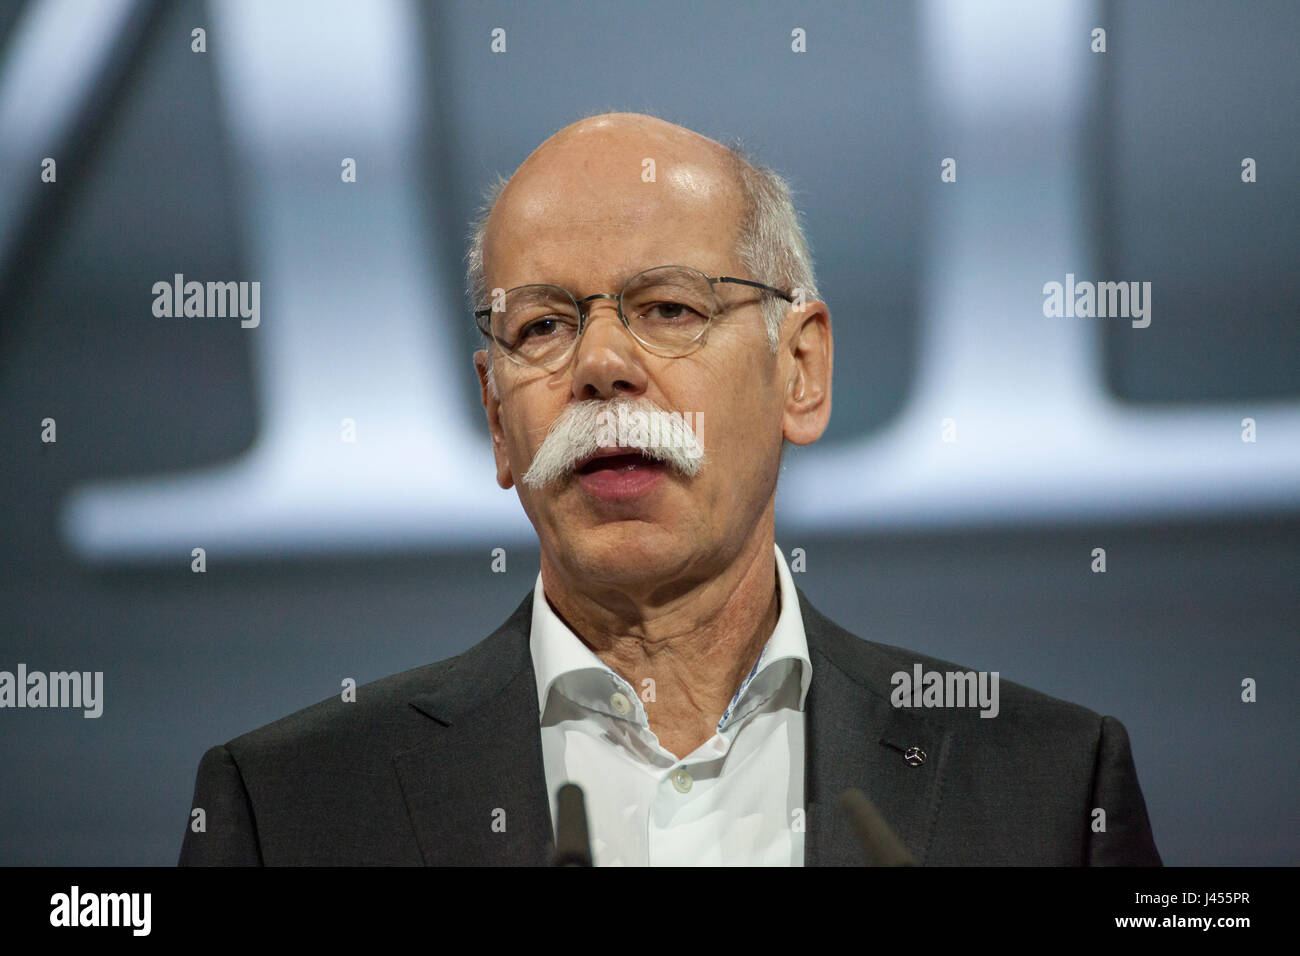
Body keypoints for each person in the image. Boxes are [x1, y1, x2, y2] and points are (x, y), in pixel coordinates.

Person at [179, 112, 1161, 866]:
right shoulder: (290, 808)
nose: (601, 364)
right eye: (541, 326)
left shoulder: (1048, 786)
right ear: (495, 417)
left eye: (668, 307)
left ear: (801, 371)